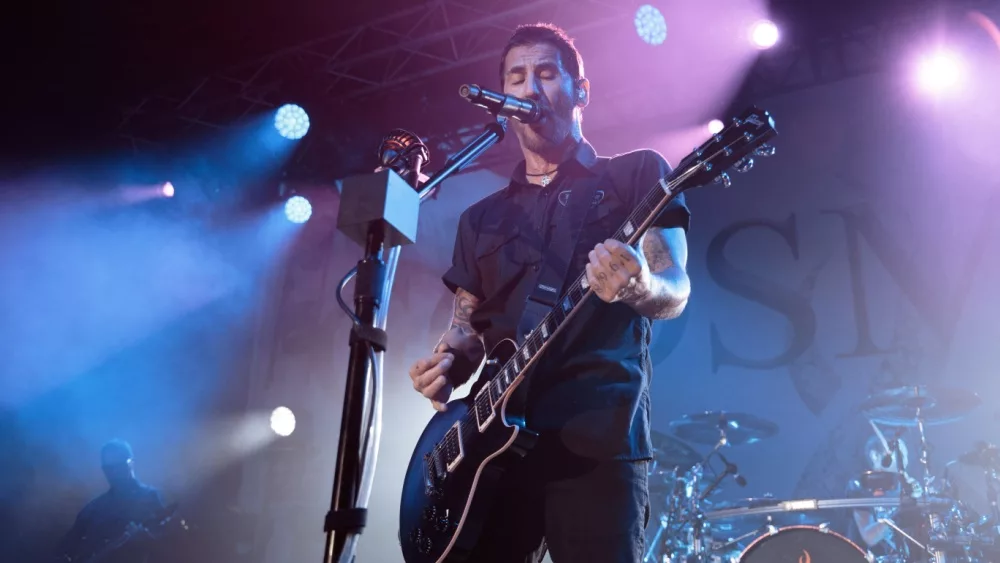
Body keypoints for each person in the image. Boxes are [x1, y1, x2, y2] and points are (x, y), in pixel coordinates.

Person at [407, 23, 691, 563]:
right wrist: (445, 361)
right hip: (491, 451)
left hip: (595, 443)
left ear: (580, 90)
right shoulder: (481, 219)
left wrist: (640, 285)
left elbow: (675, 290)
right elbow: (466, 330)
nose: (530, 88)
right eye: (516, 78)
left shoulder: (636, 176)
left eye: (545, 74)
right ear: (503, 100)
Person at [57, 439, 168, 563]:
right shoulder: (93, 509)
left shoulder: (151, 497)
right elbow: (65, 547)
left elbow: (168, 543)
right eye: (109, 469)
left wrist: (145, 537)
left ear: (131, 463)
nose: (114, 473)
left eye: (119, 467)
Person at [847, 434, 923, 561]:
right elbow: (870, 537)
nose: (905, 462)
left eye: (905, 456)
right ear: (875, 456)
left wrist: (919, 501)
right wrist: (901, 509)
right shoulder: (860, 486)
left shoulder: (903, 487)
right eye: (900, 456)